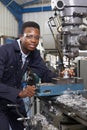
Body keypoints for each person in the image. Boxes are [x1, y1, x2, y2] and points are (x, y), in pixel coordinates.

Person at [0, 21, 58, 130]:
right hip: (2, 99)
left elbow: (44, 73)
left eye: (37, 37)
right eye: (29, 36)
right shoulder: (4, 52)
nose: (34, 40)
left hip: (15, 100)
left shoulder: (33, 53)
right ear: (21, 37)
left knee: (23, 126)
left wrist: (62, 77)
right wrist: (20, 92)